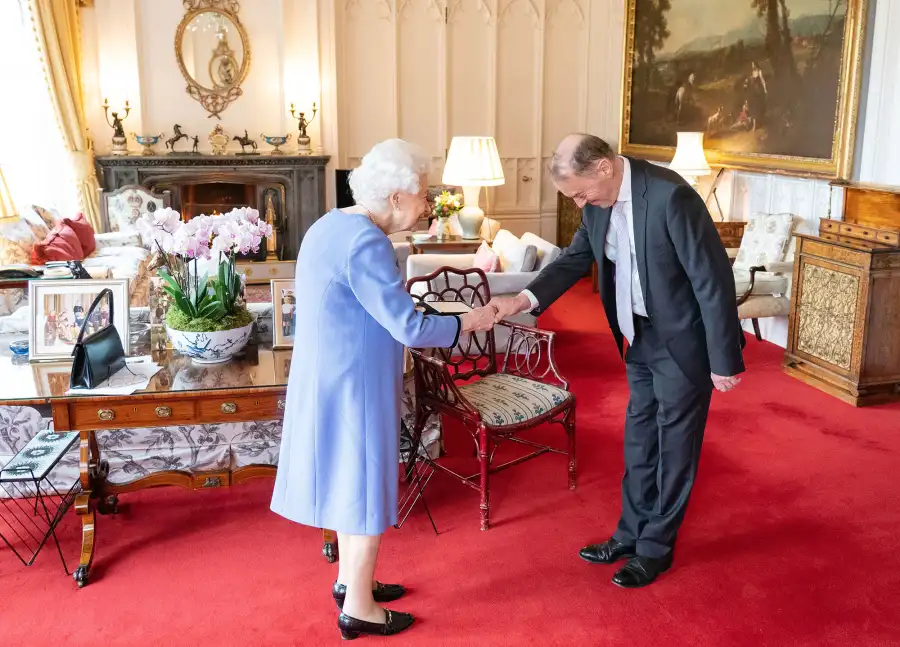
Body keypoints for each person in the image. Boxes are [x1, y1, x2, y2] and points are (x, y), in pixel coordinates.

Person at [489, 134, 745, 588]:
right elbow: (573, 261)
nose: (578, 201)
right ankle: (630, 533)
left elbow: (712, 278)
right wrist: (523, 299)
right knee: (639, 440)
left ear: (604, 167)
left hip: (682, 342)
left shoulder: (671, 196)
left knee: (675, 448)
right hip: (635, 335)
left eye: (579, 191)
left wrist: (724, 358)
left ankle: (655, 549)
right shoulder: (595, 205)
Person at [270, 138, 497, 639]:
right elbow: (409, 328)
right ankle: (358, 609)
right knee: (367, 486)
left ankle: (353, 583)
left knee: (350, 482)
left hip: (328, 373)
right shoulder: (367, 242)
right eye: (423, 195)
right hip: (357, 383)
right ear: (395, 196)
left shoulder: (331, 223)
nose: (428, 206)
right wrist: (469, 322)